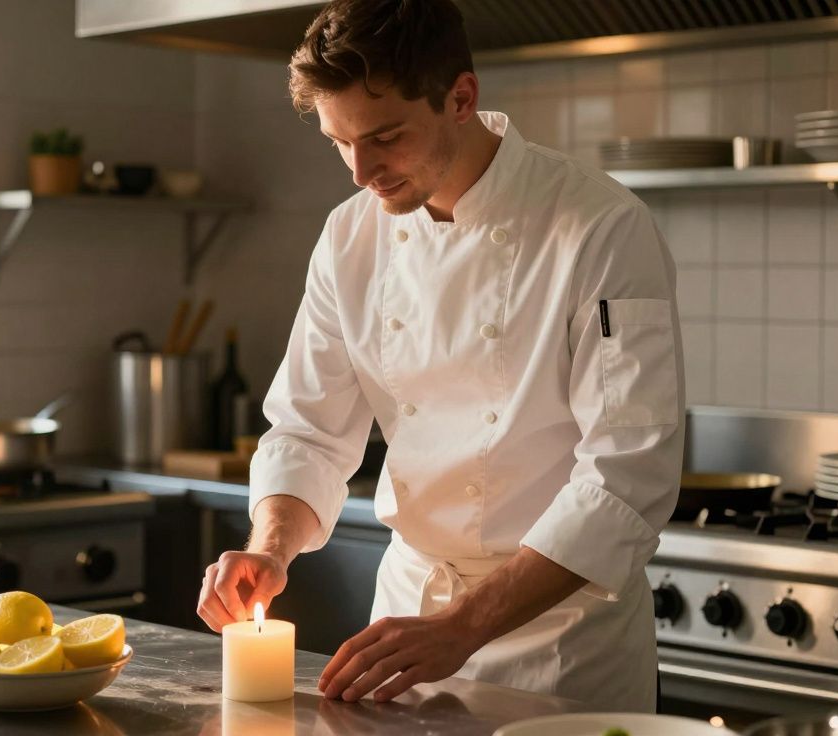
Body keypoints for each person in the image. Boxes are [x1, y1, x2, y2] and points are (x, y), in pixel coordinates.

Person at [196, 0, 684, 711]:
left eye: (385, 136)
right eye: (339, 142)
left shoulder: (602, 228)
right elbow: (309, 429)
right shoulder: (348, 238)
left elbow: (625, 475)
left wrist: (466, 626)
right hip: (405, 624)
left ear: (461, 98)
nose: (362, 171)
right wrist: (270, 547)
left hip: (560, 644)